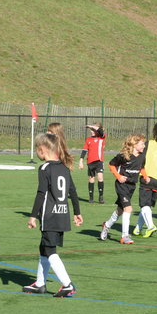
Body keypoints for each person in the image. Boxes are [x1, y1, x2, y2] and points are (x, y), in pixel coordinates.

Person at [23, 134, 82, 297]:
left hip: (49, 215)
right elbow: (73, 191)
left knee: (50, 250)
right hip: (62, 214)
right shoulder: (64, 167)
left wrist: (32, 216)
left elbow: (41, 193)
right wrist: (77, 212)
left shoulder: (44, 168)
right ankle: (40, 283)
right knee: (44, 247)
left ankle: (67, 284)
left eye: (37, 149)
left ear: (43, 150)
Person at [100, 134, 148, 245]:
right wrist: (118, 176)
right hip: (122, 185)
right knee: (128, 209)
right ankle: (125, 236)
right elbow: (111, 165)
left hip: (132, 186)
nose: (144, 146)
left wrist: (145, 176)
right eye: (142, 144)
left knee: (120, 210)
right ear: (134, 145)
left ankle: (106, 225)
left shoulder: (142, 156)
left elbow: (141, 167)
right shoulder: (123, 156)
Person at [134, 122, 157, 238]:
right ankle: (138, 228)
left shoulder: (148, 144)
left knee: (144, 205)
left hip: (147, 178)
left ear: (154, 132)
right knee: (147, 205)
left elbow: (140, 159)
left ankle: (150, 226)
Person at [78, 123, 106, 204]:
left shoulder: (101, 137)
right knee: (91, 178)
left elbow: (100, 131)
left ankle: (101, 197)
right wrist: (81, 161)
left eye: (93, 130)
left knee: (100, 177)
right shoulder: (88, 139)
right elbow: (84, 150)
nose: (92, 131)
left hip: (99, 161)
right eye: (91, 130)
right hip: (90, 162)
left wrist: (92, 126)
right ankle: (91, 198)